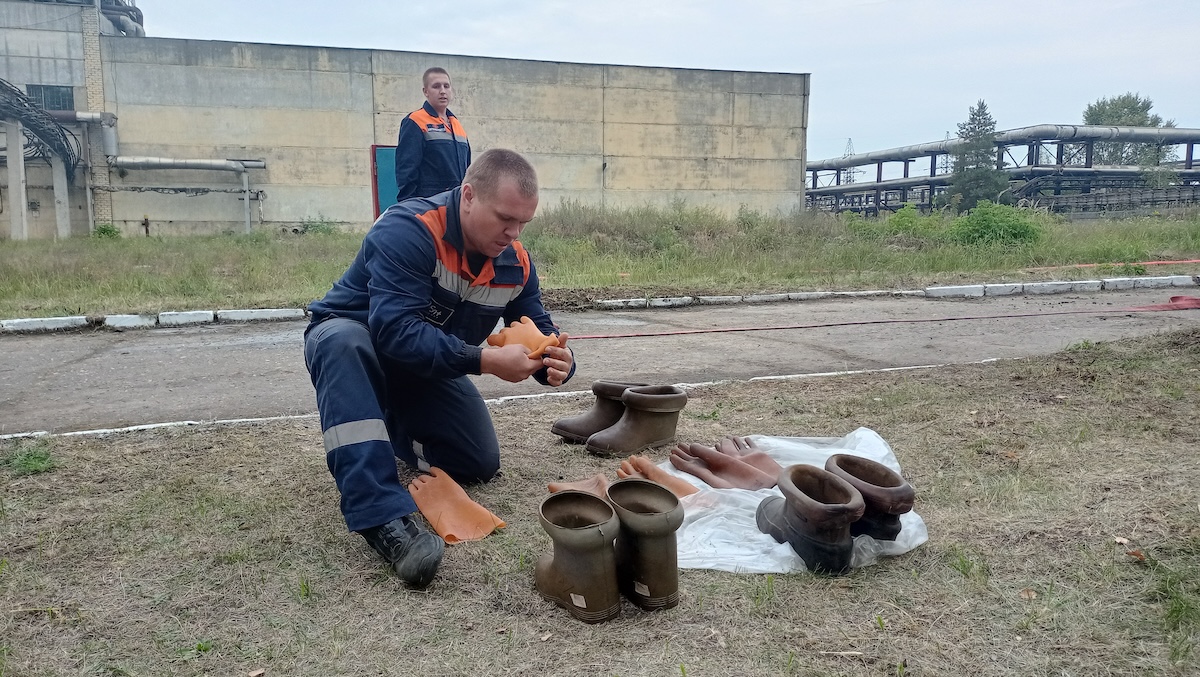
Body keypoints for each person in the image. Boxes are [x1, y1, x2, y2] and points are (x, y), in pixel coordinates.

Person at [305, 149, 575, 588]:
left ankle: (384, 424)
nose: (514, 232)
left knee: (476, 462)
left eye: (524, 222)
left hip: (422, 367)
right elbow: (392, 332)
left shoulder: (517, 263)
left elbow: (538, 327)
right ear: (468, 196)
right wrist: (483, 359)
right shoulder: (408, 230)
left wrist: (556, 360)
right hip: (359, 344)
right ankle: (382, 518)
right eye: (505, 217)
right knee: (343, 341)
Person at [394, 67, 471, 202]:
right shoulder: (415, 121)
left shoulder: (457, 125)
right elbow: (406, 172)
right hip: (429, 206)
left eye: (446, 86)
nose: (442, 91)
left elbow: (468, 170)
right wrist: (409, 207)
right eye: (436, 86)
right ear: (426, 91)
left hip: (457, 205)